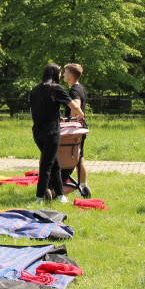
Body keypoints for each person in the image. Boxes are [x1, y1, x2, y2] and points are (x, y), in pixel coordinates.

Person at [30, 63, 85, 205]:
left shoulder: (35, 89)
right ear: (55, 74)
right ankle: (39, 197)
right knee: (47, 165)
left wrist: (54, 116)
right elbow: (73, 105)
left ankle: (61, 196)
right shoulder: (56, 89)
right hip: (52, 133)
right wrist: (80, 114)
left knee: (55, 163)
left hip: (37, 132)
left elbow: (33, 111)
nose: (61, 75)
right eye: (60, 73)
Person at [62, 63, 91, 197]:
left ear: (72, 75)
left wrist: (68, 120)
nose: (63, 75)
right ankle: (83, 186)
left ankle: (75, 185)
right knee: (80, 157)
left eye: (66, 72)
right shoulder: (81, 88)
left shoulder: (74, 90)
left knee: (75, 158)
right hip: (82, 127)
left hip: (76, 129)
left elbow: (76, 108)